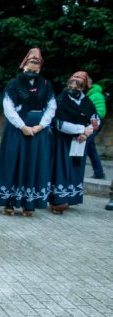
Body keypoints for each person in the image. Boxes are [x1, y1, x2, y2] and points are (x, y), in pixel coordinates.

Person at [0, 48, 56, 217]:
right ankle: (9, 203)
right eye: (30, 66)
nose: (33, 70)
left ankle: (30, 204)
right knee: (13, 164)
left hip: (38, 132)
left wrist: (40, 126)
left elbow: (51, 107)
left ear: (40, 68)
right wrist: (22, 126)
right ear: (24, 65)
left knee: (34, 164)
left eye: (36, 67)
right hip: (17, 131)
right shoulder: (14, 84)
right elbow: (8, 107)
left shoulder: (46, 85)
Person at [48, 72, 99, 214]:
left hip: (80, 142)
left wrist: (86, 132)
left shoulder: (87, 102)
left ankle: (70, 198)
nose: (72, 87)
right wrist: (81, 130)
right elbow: (57, 122)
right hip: (63, 141)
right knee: (61, 167)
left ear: (83, 87)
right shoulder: (61, 100)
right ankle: (57, 199)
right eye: (70, 84)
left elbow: (95, 120)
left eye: (77, 85)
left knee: (76, 167)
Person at [86, 79, 106, 179]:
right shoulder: (91, 94)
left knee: (83, 144)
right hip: (93, 122)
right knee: (90, 148)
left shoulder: (96, 94)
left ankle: (75, 172)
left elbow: (100, 112)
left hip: (94, 122)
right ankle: (99, 173)